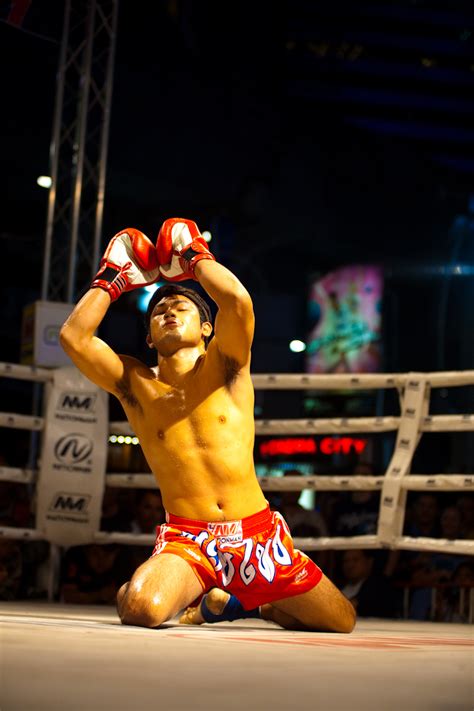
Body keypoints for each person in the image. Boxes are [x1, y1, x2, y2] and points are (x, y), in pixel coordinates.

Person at [60, 218, 355, 632]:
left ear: (206, 328)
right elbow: (74, 337)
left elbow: (237, 301)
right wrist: (112, 278)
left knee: (342, 621)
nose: (167, 312)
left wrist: (195, 256)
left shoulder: (227, 366)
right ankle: (163, 586)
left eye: (180, 307)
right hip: (188, 539)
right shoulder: (135, 384)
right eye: (159, 311)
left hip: (258, 536)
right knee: (141, 609)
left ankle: (243, 605)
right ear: (148, 337)